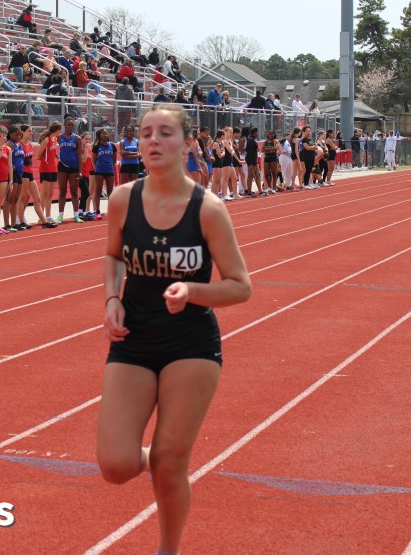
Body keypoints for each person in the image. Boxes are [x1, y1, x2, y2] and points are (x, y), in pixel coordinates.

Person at [97, 103, 251, 555]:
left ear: (186, 143)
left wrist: (192, 290)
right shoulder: (123, 199)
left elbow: (240, 286)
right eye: (146, 133)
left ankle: (168, 548)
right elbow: (113, 255)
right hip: (134, 338)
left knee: (169, 466)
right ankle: (162, 458)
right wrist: (111, 299)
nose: (153, 141)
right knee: (115, 465)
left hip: (190, 343)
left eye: (165, 133)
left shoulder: (208, 209)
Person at [35, 121, 63, 227]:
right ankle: (41, 217)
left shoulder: (54, 139)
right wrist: (47, 160)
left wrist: (55, 159)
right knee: (45, 193)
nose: (61, 132)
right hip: (46, 169)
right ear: (57, 130)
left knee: (50, 194)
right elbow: (38, 155)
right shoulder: (46, 139)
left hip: (54, 169)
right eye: (60, 130)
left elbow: (53, 153)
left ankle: (48, 216)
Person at [57, 118, 83, 223]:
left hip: (74, 167)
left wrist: (80, 171)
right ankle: (60, 215)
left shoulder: (77, 138)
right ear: (65, 125)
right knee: (62, 191)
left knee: (74, 192)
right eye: (69, 125)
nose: (71, 126)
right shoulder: (59, 137)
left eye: (72, 125)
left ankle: (76, 215)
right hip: (62, 166)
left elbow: (80, 156)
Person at [91, 128, 117, 218]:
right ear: (100, 136)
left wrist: (110, 166)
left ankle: (111, 210)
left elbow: (114, 159)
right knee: (98, 191)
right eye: (103, 133)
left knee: (110, 191)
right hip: (99, 171)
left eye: (107, 133)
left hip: (109, 170)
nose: (105, 135)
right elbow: (93, 160)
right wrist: (97, 168)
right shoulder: (96, 147)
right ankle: (97, 211)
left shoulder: (112, 146)